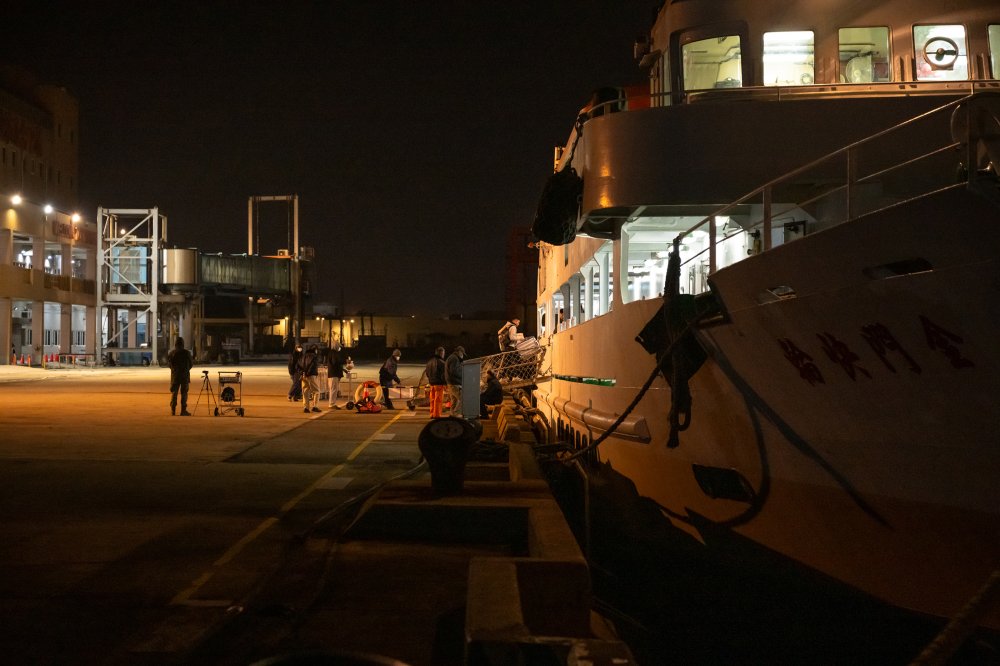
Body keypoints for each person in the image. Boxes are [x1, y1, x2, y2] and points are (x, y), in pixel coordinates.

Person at [167, 337, 193, 416]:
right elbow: (191, 364)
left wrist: (175, 371)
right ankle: (183, 411)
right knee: (184, 393)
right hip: (184, 376)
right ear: (183, 344)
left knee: (174, 393)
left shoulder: (171, 353)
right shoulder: (187, 353)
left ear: (175, 344)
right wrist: (186, 369)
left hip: (175, 376)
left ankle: (173, 410)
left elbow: (169, 365)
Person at [424, 346, 447, 418]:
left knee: (432, 400)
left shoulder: (429, 362)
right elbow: (444, 375)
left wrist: (430, 379)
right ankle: (436, 415)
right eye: (443, 353)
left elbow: (427, 373)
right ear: (441, 353)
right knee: (438, 400)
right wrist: (445, 383)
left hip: (431, 384)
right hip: (439, 384)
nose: (443, 355)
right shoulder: (442, 363)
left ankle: (431, 414)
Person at [299, 344, 321, 413]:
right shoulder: (314, 356)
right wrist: (308, 373)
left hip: (303, 375)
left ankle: (306, 407)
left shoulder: (303, 356)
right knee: (316, 391)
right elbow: (312, 366)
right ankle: (315, 406)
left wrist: (303, 373)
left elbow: (299, 365)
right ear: (315, 350)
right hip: (311, 375)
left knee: (305, 391)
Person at [445, 345, 465, 416]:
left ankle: (452, 414)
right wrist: (463, 375)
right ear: (459, 352)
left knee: (454, 400)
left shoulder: (451, 357)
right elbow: (454, 371)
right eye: (462, 354)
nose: (462, 356)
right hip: (454, 383)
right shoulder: (454, 359)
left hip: (451, 383)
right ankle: (456, 413)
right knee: (463, 398)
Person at [326, 342, 345, 409]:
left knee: (333, 389)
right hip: (334, 374)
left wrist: (343, 370)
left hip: (332, 374)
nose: (340, 348)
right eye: (339, 346)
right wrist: (345, 361)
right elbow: (335, 362)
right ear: (336, 346)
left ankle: (332, 403)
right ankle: (331, 404)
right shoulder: (334, 353)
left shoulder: (331, 353)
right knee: (333, 389)